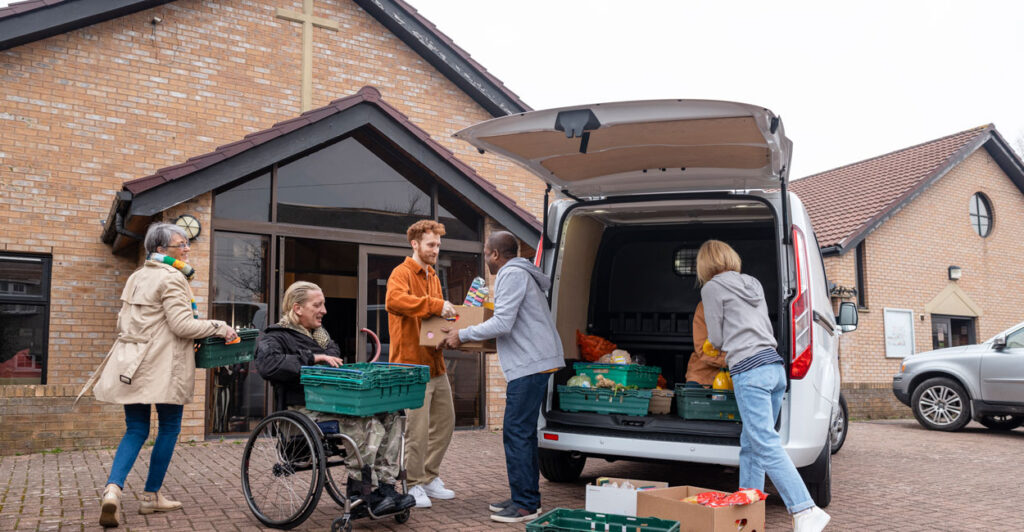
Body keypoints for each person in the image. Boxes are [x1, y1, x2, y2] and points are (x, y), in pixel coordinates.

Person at [78, 222, 239, 528]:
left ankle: (113, 488)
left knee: (136, 429)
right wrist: (220, 326)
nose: (187, 249)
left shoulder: (136, 276)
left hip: (132, 366)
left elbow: (122, 324)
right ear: (162, 250)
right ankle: (151, 496)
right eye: (182, 245)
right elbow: (183, 326)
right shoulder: (173, 278)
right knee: (168, 428)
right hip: (164, 367)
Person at [697, 240, 831, 532]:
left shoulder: (711, 288)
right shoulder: (753, 283)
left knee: (764, 442)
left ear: (704, 265)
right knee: (752, 442)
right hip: (773, 366)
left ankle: (805, 508)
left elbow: (717, 338)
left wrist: (715, 344)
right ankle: (749, 507)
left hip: (749, 370)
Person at [254, 281, 415, 515]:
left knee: (390, 414)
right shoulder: (275, 336)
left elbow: (333, 353)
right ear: (298, 308)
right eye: (317, 305)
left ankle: (386, 487)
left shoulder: (321, 336)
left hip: (331, 405)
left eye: (324, 304)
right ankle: (361, 493)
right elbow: (268, 365)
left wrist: (321, 355)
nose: (324, 310)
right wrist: (313, 358)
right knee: (364, 423)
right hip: (302, 410)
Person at [439, 231, 564, 523]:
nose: (485, 258)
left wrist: (464, 334)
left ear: (495, 254)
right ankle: (525, 497)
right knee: (522, 433)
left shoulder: (511, 274)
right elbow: (511, 321)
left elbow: (503, 322)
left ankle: (525, 505)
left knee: (516, 432)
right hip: (535, 362)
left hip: (530, 365)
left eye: (486, 252)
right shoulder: (522, 273)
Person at [385, 220, 458, 508]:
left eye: (438, 245)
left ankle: (428, 476)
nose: (436, 250)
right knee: (416, 429)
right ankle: (412, 484)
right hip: (410, 366)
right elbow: (395, 300)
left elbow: (432, 320)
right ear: (414, 244)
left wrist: (449, 324)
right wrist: (435, 305)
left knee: (445, 423)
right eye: (431, 245)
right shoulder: (400, 273)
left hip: (435, 364)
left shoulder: (433, 276)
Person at [684, 301, 728, 386]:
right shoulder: (704, 306)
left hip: (736, 377)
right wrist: (731, 361)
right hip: (702, 376)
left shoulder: (744, 305)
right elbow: (703, 349)